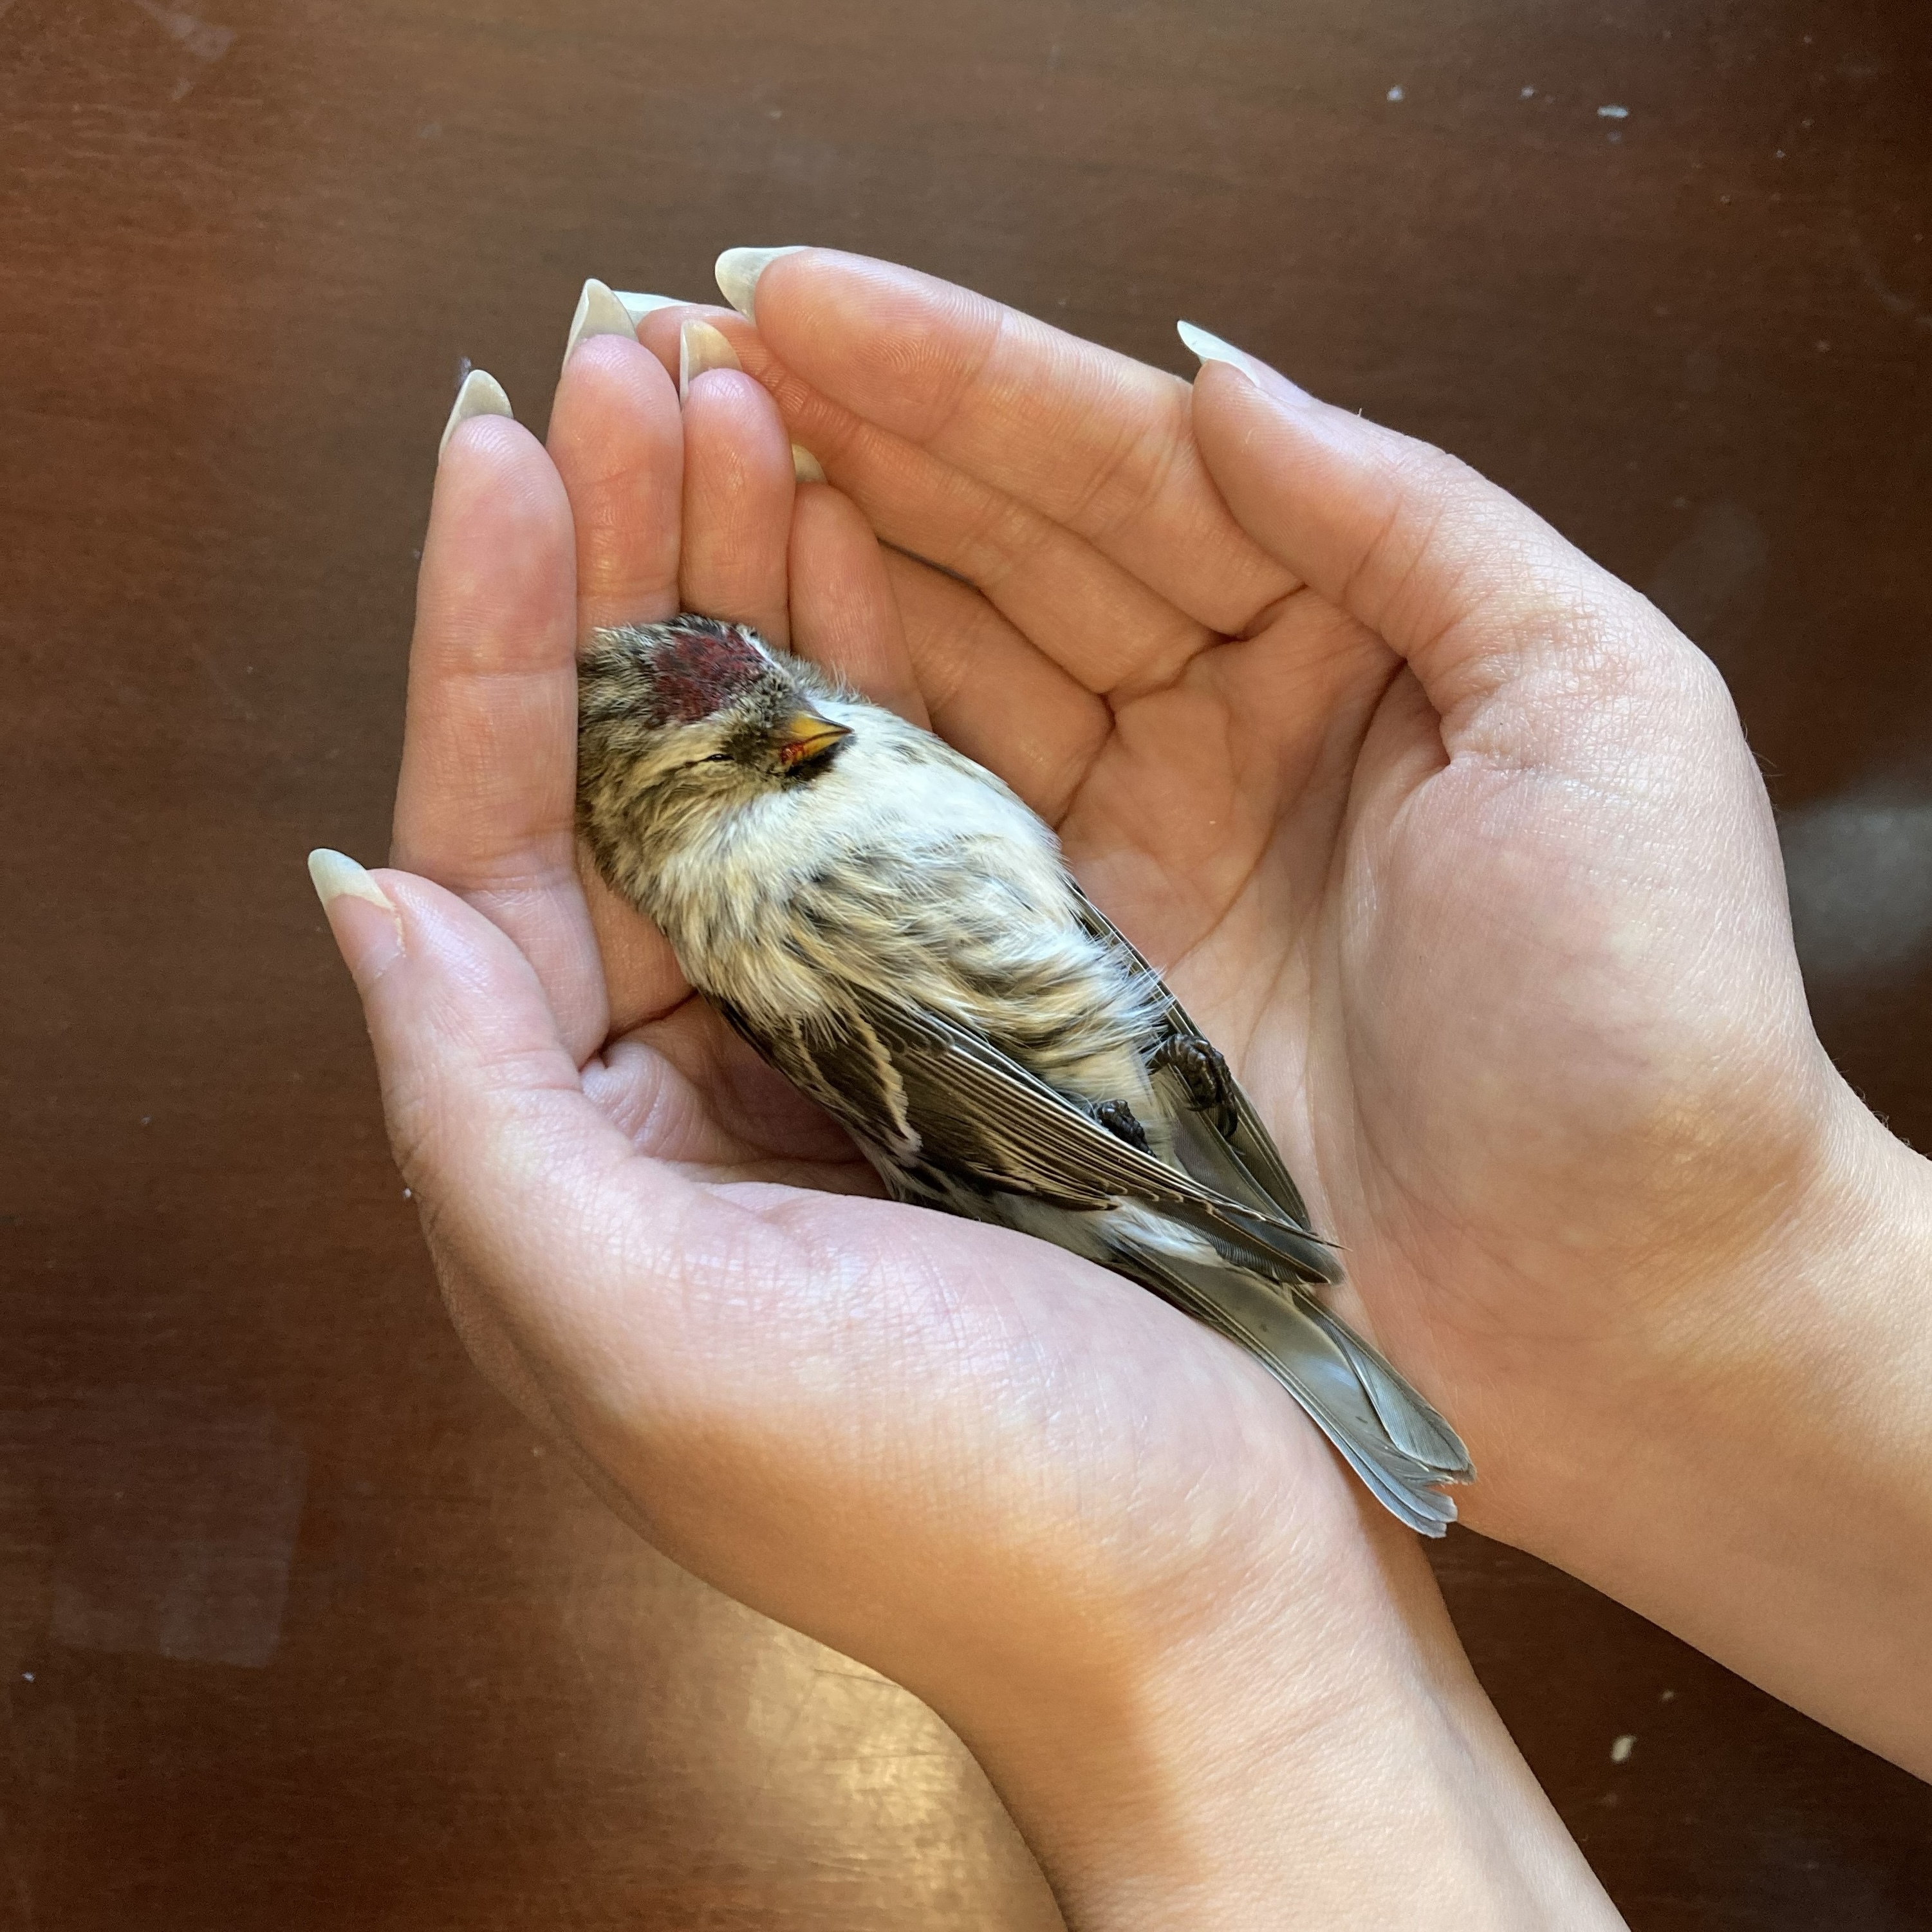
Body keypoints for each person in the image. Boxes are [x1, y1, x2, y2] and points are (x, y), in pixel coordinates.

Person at [308, 250, 1932, 1927]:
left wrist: (1739, 1265)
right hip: (1061, 1116)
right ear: (673, 814)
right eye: (754, 740)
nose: (805, 724)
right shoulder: (746, 910)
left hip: (1112, 1070)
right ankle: (1282, 1316)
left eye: (783, 691)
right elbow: (955, 1087)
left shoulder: (816, 762)